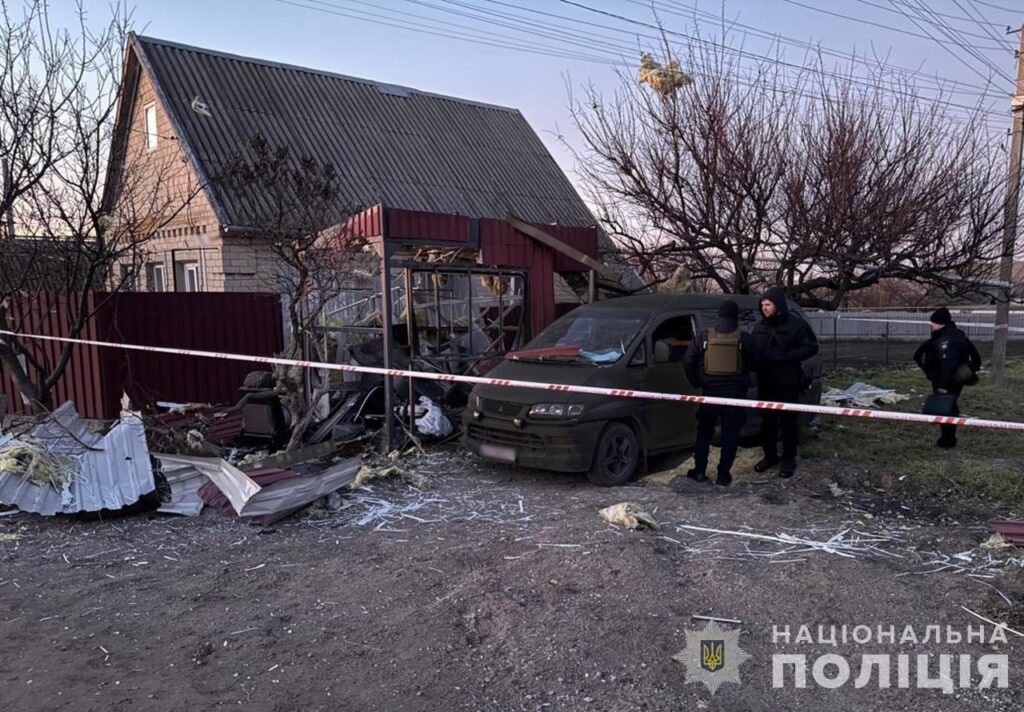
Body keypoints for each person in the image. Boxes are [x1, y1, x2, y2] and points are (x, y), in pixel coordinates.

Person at [749, 287, 819, 478]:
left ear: (778, 305)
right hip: (766, 382)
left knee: (788, 424)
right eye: (762, 304)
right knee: (767, 424)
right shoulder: (759, 327)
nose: (764, 308)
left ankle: (788, 459)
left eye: (768, 304)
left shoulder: (796, 325)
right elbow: (753, 350)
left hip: (788, 382)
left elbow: (811, 347)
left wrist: (787, 357)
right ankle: (770, 456)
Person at [683, 299, 752, 487]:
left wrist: (697, 382)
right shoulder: (744, 337)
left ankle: (699, 471)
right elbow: (756, 363)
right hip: (735, 395)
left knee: (704, 432)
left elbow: (688, 360)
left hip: (710, 392)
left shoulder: (704, 336)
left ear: (720, 315)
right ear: (735, 316)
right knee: (731, 434)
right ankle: (723, 475)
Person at [913, 307, 981, 449]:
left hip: (946, 380)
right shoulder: (954, 334)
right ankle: (947, 438)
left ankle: (948, 440)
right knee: (948, 406)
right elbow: (974, 354)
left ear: (942, 323)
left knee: (946, 408)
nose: (931, 325)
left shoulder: (947, 340)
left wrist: (943, 385)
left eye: (934, 322)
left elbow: (948, 364)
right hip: (952, 378)